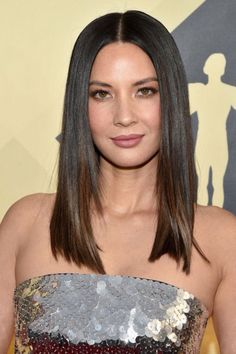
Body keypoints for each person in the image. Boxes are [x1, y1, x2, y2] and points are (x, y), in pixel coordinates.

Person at [0, 10, 236, 354]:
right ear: (80, 104)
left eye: (145, 91)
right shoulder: (26, 223)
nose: (124, 116)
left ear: (170, 97)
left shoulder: (219, 237)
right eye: (102, 94)